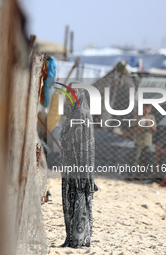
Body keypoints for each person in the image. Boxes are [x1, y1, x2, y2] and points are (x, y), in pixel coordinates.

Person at [59, 81, 97, 248]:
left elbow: (71, 140)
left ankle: (77, 240)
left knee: (76, 200)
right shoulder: (77, 112)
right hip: (74, 165)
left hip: (77, 165)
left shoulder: (80, 113)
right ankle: (75, 239)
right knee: (73, 201)